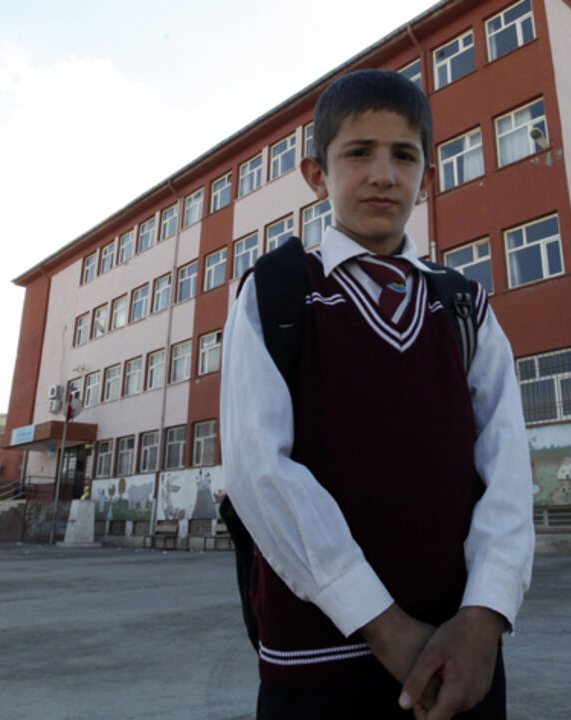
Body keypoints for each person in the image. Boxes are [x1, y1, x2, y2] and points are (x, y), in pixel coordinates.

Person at [222, 69, 534, 720]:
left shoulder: (464, 305)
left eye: (404, 155)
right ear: (316, 173)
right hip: (315, 668)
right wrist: (386, 626)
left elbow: (507, 472)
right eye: (358, 152)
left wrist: (483, 621)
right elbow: (261, 471)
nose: (383, 174)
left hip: (459, 661)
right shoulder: (279, 292)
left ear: (428, 175)